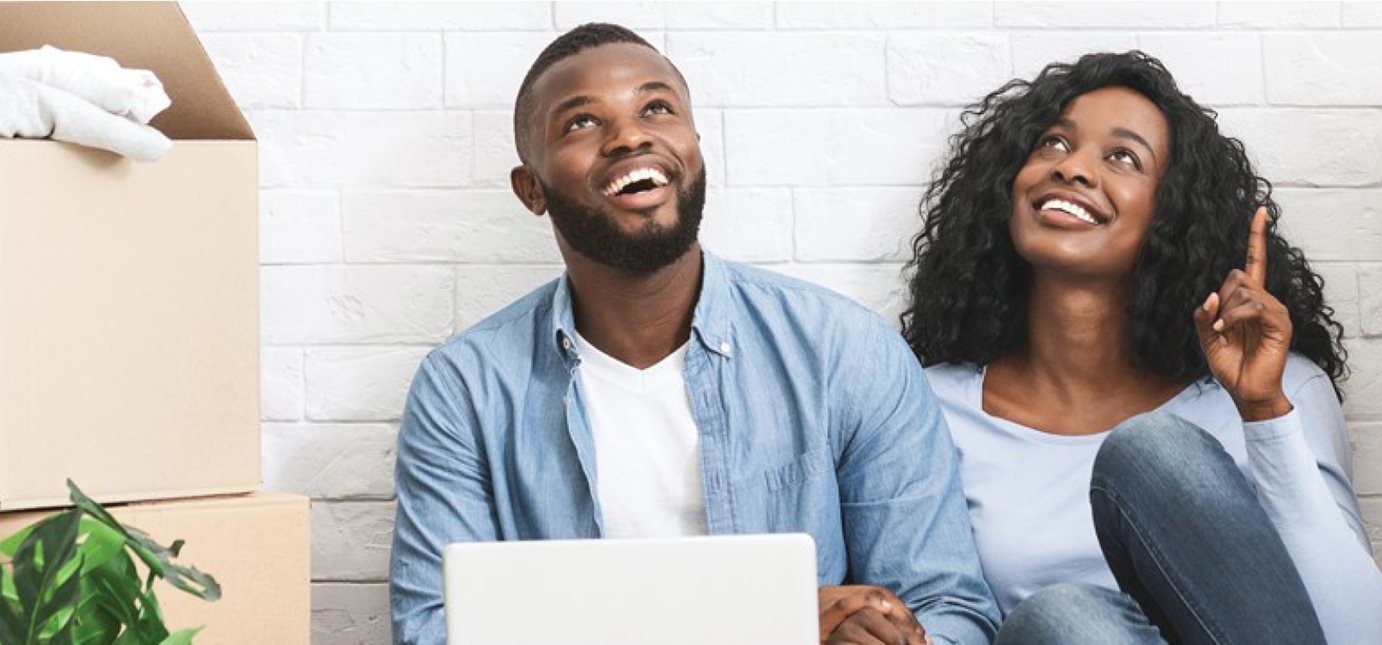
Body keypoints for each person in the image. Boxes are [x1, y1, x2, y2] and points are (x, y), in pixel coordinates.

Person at [389, 23, 999, 645]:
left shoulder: (847, 353)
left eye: (657, 108)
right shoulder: (464, 389)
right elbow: (434, 631)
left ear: (696, 146)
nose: (630, 135)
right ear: (531, 190)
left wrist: (896, 637)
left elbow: (950, 607)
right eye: (581, 123)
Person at [901, 51, 1382, 644]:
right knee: (1063, 621)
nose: (1074, 169)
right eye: (1053, 144)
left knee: (1152, 451)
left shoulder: (1274, 387)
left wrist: (1264, 414)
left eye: (1122, 157)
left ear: (1174, 215)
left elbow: (1358, 637)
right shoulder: (930, 407)